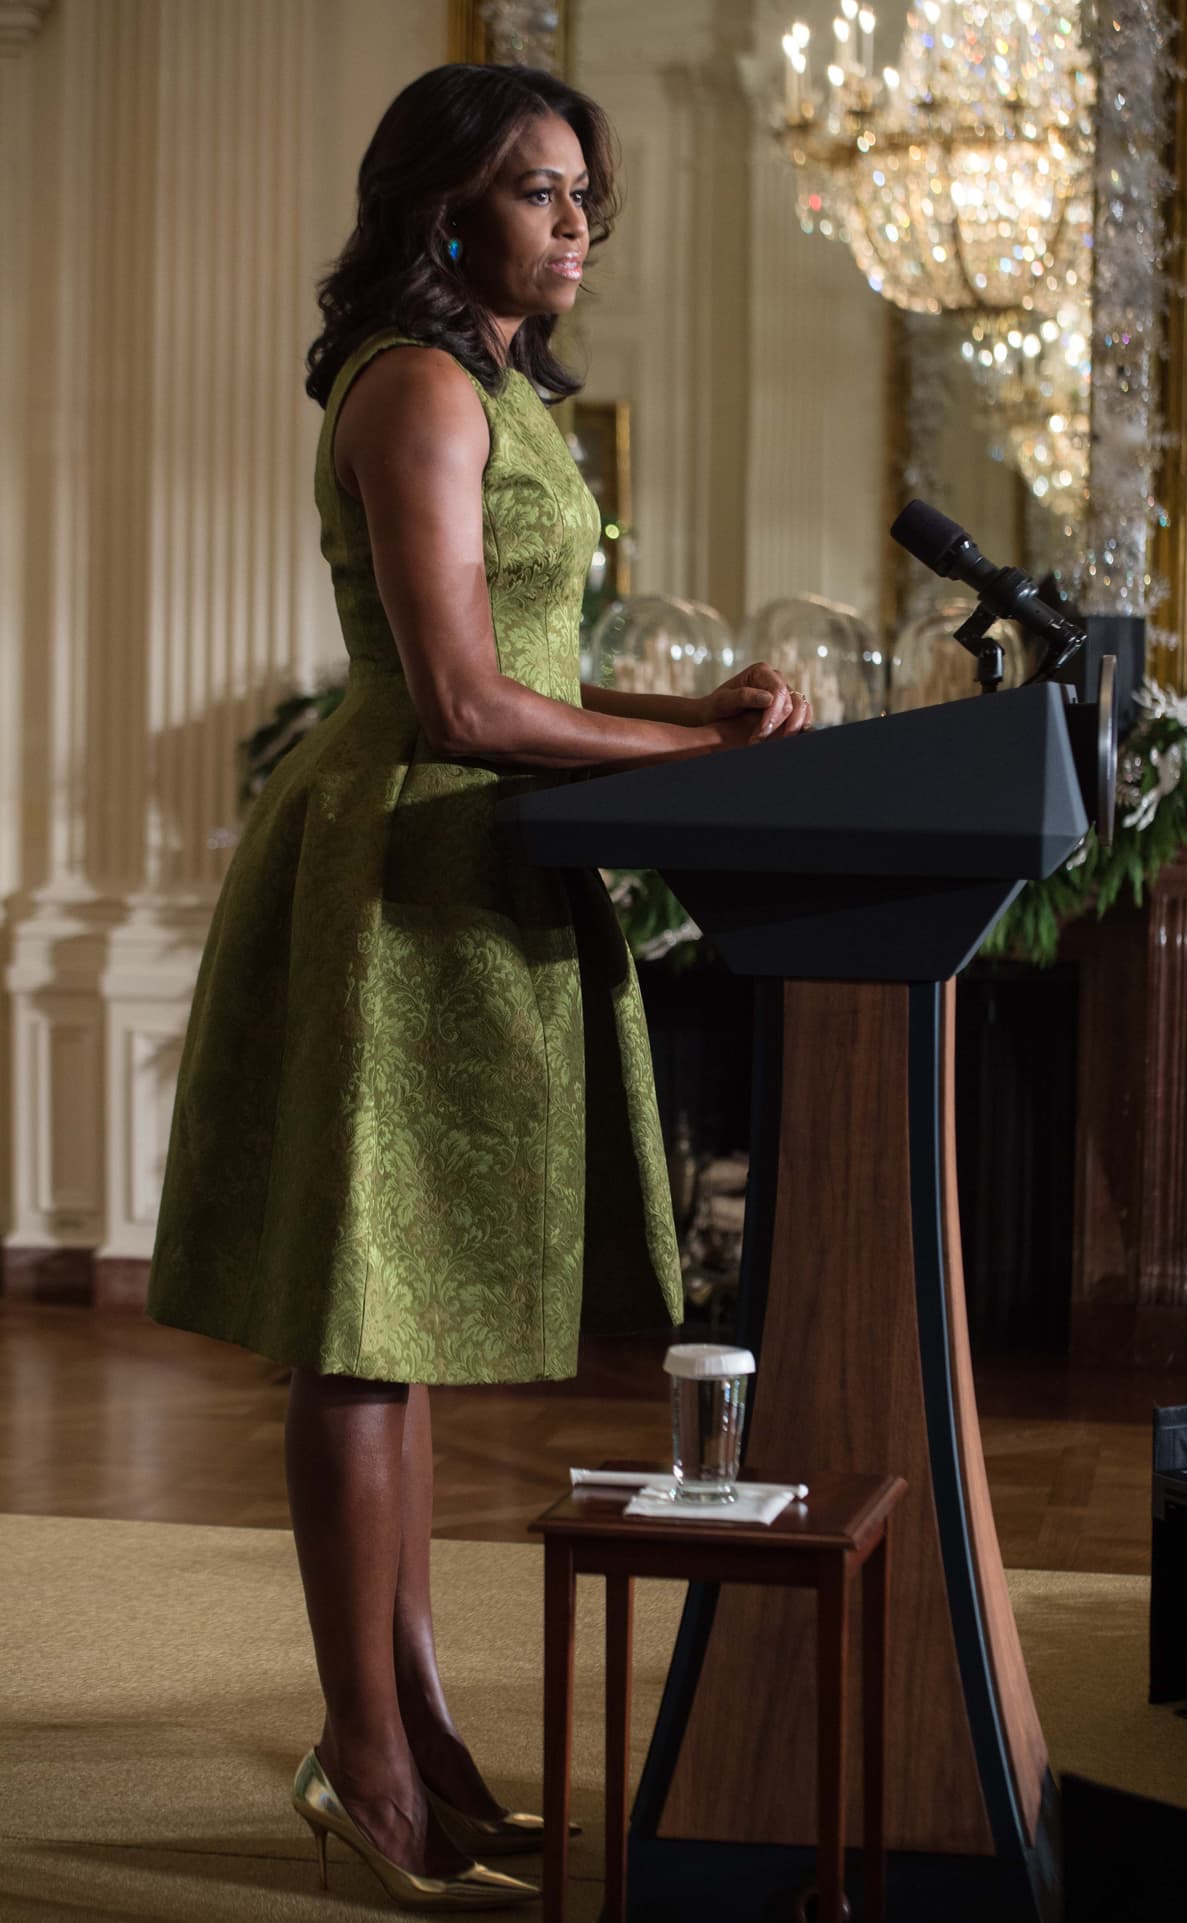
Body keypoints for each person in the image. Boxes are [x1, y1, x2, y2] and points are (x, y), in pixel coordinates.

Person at [145, 60, 811, 1913]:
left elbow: (532, 659)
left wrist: (698, 709)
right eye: (539, 191)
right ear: (446, 212)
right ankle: (365, 1764)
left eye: (588, 193)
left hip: (481, 862)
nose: (578, 222)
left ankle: (421, 1724)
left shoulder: (507, 394)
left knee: (410, 1318)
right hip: (401, 864)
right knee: (365, 1326)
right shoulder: (419, 383)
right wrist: (704, 771)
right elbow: (458, 702)